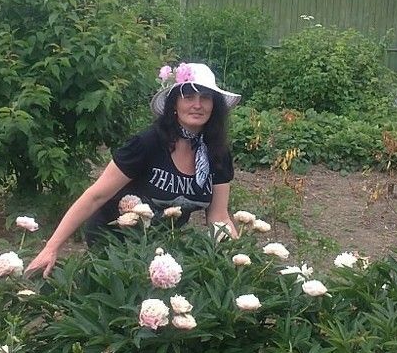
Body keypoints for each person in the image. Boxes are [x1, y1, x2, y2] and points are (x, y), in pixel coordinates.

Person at [24, 62, 240, 277]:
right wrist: (51, 247)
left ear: (214, 105)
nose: (197, 105)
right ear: (174, 103)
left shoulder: (216, 153)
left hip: (162, 245)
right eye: (189, 97)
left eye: (205, 98)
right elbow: (96, 195)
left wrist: (239, 260)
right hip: (115, 239)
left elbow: (219, 217)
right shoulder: (148, 143)